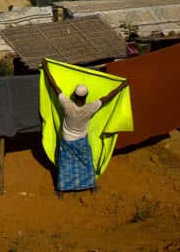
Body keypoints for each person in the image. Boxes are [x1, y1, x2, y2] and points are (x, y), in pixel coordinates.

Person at [43, 62, 128, 197]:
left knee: (65, 163)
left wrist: (46, 68)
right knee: (87, 162)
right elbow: (107, 97)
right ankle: (92, 187)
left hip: (67, 140)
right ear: (86, 96)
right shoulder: (90, 108)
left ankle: (61, 190)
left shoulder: (67, 104)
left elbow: (55, 86)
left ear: (75, 96)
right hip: (81, 140)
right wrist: (122, 85)